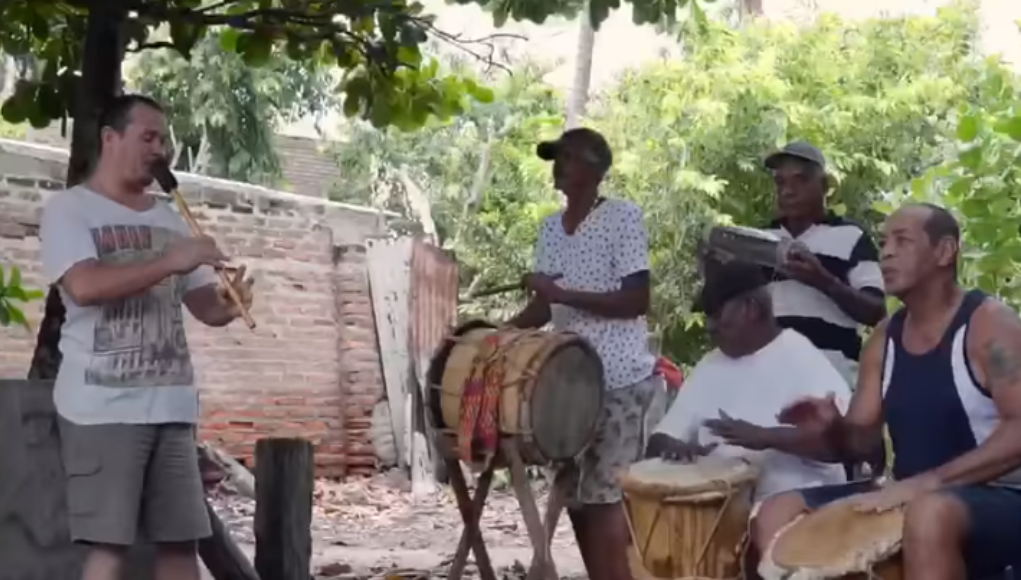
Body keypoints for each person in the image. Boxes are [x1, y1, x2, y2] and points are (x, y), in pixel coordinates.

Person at [725, 203, 1021, 580]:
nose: (886, 252)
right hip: (911, 492)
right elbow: (862, 446)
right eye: (883, 242)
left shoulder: (989, 325)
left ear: (945, 252)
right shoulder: (884, 339)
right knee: (776, 513)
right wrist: (832, 427)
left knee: (929, 513)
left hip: (1000, 495)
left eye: (902, 241)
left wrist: (922, 485)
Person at [39, 94, 254, 580]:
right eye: (148, 137)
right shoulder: (70, 210)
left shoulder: (169, 218)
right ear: (111, 139)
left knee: (181, 547)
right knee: (108, 551)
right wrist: (169, 261)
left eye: (164, 139)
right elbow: (85, 286)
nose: (161, 148)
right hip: (103, 409)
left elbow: (203, 308)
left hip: (172, 410)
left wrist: (230, 304)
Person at [506, 127, 662, 580]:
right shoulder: (549, 229)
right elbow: (544, 306)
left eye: (568, 157)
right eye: (557, 157)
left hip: (619, 381)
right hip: (568, 384)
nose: (559, 165)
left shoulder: (623, 218)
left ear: (595, 169)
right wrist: (499, 334)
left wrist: (561, 292)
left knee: (609, 497)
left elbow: (637, 300)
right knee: (575, 496)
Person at [646, 259, 850, 525]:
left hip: (796, 518)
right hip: (718, 514)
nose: (709, 326)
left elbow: (844, 447)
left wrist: (764, 437)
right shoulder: (710, 364)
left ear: (750, 309)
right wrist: (674, 449)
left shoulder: (802, 359)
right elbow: (660, 438)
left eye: (717, 315)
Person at [761, 141, 887, 387]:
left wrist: (823, 281)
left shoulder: (852, 236)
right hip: (767, 380)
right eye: (780, 182)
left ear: (825, 186)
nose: (788, 190)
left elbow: (876, 312)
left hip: (830, 382)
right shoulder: (761, 240)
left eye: (801, 180)